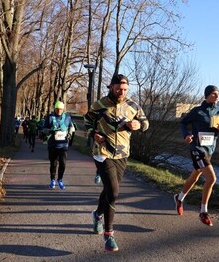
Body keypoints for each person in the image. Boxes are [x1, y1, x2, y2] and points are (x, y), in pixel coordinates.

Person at [84, 74, 149, 252]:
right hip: (102, 152)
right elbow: (87, 120)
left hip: (122, 154)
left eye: (125, 89)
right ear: (111, 86)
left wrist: (138, 125)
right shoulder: (99, 105)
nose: (122, 92)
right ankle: (109, 234)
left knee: (108, 190)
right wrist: (92, 134)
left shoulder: (132, 105)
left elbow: (145, 123)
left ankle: (97, 215)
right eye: (119, 88)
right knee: (113, 191)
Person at [174, 85, 219, 227]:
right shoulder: (197, 111)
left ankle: (179, 198)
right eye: (213, 94)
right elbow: (183, 122)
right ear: (206, 96)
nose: (216, 97)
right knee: (211, 179)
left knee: (195, 176)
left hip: (209, 150)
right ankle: (203, 212)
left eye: (217, 94)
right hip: (197, 149)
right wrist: (186, 135)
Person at [43, 101, 74, 190]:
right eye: (57, 109)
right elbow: (44, 129)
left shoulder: (67, 117)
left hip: (63, 145)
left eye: (60, 109)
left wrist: (69, 135)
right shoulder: (49, 117)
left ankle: (60, 179)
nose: (59, 111)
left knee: (63, 163)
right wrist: (50, 131)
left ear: (63, 109)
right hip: (52, 145)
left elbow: (71, 127)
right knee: (53, 163)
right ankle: (52, 180)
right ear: (55, 109)